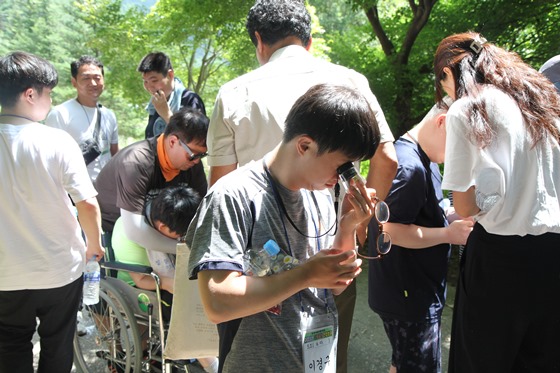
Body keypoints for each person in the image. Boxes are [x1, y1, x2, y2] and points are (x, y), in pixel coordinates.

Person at [206, 2, 398, 369]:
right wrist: (359, 236)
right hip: (295, 269)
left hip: (254, 265)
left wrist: (349, 227)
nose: (338, 176)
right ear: (309, 41)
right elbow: (387, 158)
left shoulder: (233, 93)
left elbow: (221, 180)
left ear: (259, 41)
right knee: (323, 352)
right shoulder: (351, 82)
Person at [187, 83, 381, 372]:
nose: (345, 177)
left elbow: (334, 288)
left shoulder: (321, 196)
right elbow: (217, 301)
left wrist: (347, 227)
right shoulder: (234, 195)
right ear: (304, 146)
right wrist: (306, 274)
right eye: (342, 165)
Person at [434, 32, 560, 372]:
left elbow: (465, 207)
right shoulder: (541, 103)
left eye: (441, 83)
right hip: (553, 257)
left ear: (449, 71)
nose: (445, 94)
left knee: (481, 360)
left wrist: (489, 194)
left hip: (500, 259)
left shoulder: (469, 108)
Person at [0, 51, 104, 373]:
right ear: (30, 94)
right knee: (58, 344)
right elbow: (86, 202)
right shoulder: (56, 141)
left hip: (5, 274)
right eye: (48, 93)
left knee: (10, 345)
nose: (50, 101)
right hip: (59, 269)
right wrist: (94, 245)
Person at [367, 102, 474, 373]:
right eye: (460, 145)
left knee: (401, 363)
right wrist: (449, 234)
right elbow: (386, 230)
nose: (458, 155)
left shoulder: (425, 159)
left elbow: (429, 207)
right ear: (442, 122)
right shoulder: (410, 166)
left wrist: (449, 216)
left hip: (413, 293)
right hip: (408, 298)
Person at [111, 185, 219, 373]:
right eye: (179, 235)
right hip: (141, 289)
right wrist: (181, 286)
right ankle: (211, 364)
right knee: (188, 308)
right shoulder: (128, 232)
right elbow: (141, 280)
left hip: (167, 279)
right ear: (162, 227)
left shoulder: (159, 213)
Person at [94, 107, 208, 257]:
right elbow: (135, 230)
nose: (197, 161)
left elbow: (202, 212)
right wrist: (188, 251)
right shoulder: (136, 163)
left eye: (203, 155)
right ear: (173, 141)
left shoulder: (192, 164)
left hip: (163, 233)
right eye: (193, 155)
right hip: (114, 235)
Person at [45, 55, 119, 181]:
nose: (93, 83)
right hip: (76, 192)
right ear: (74, 82)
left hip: (107, 188)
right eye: (86, 78)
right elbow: (50, 159)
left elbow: (114, 153)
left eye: (97, 78)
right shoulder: (60, 114)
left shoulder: (109, 115)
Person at [137, 52, 206, 139]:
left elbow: (196, 139)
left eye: (154, 81)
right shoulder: (154, 105)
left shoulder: (191, 100)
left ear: (170, 75)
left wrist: (167, 114)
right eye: (145, 82)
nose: (149, 87)